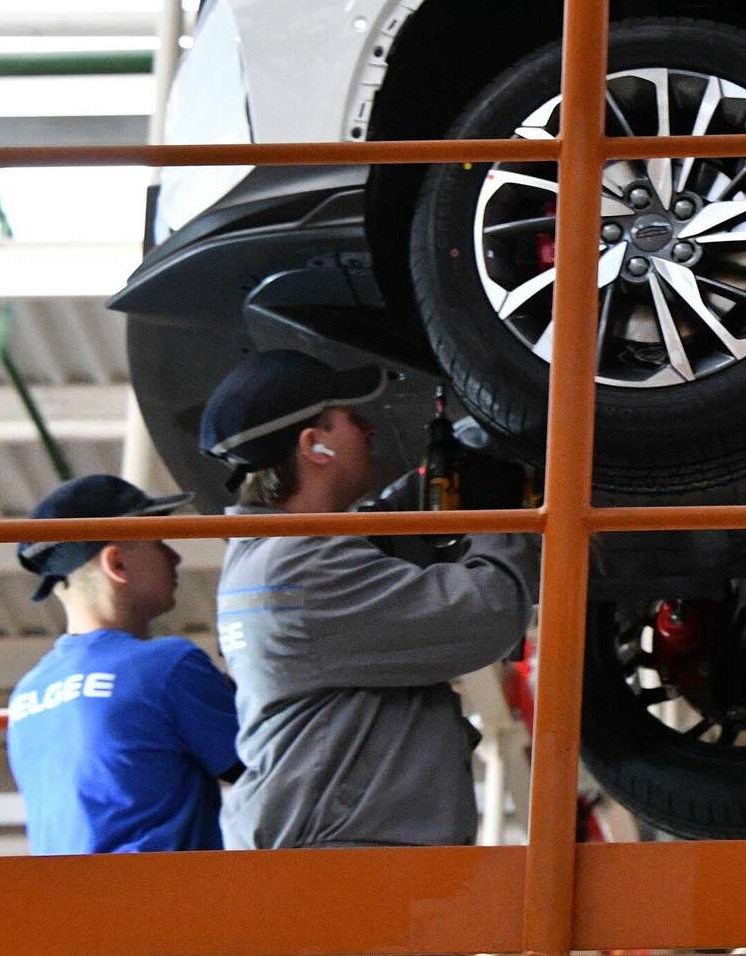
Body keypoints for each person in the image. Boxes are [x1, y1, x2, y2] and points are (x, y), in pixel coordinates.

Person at [200, 349, 539, 849]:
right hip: (340, 862)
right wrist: (499, 517)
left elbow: (383, 527)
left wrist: (464, 451)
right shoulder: (300, 569)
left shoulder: (269, 558)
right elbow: (486, 614)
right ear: (316, 447)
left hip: (332, 849)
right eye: (353, 420)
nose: (370, 430)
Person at [6, 474, 241, 854]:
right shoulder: (166, 667)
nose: (174, 556)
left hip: (65, 908)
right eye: (158, 543)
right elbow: (262, 769)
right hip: (163, 905)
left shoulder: (27, 694)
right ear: (117, 563)